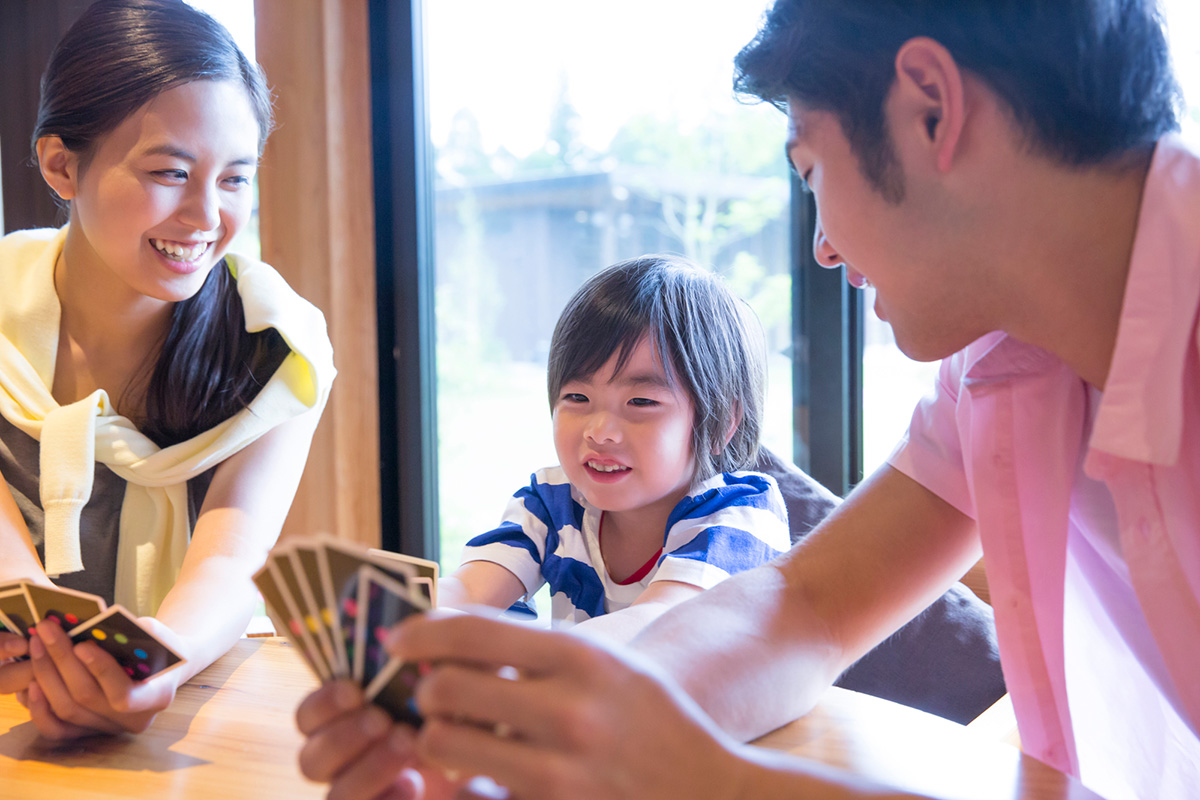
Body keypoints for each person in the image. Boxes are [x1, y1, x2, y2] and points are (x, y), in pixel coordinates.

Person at [295, 1, 1200, 798]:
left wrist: (725, 785)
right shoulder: (999, 363)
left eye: (810, 174)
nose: (824, 251)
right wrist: (534, 736)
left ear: (932, 106)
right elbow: (808, 604)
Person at [0, 0, 334, 741]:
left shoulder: (277, 350)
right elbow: (12, 584)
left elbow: (233, 552)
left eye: (234, 180)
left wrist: (159, 668)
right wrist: (47, 656)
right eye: (171, 172)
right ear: (61, 165)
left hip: (192, 705)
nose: (205, 215)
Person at [438, 255, 791, 642]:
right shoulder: (553, 502)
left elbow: (660, 626)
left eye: (640, 402)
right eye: (577, 396)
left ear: (722, 421)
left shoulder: (740, 515)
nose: (600, 432)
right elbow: (468, 592)